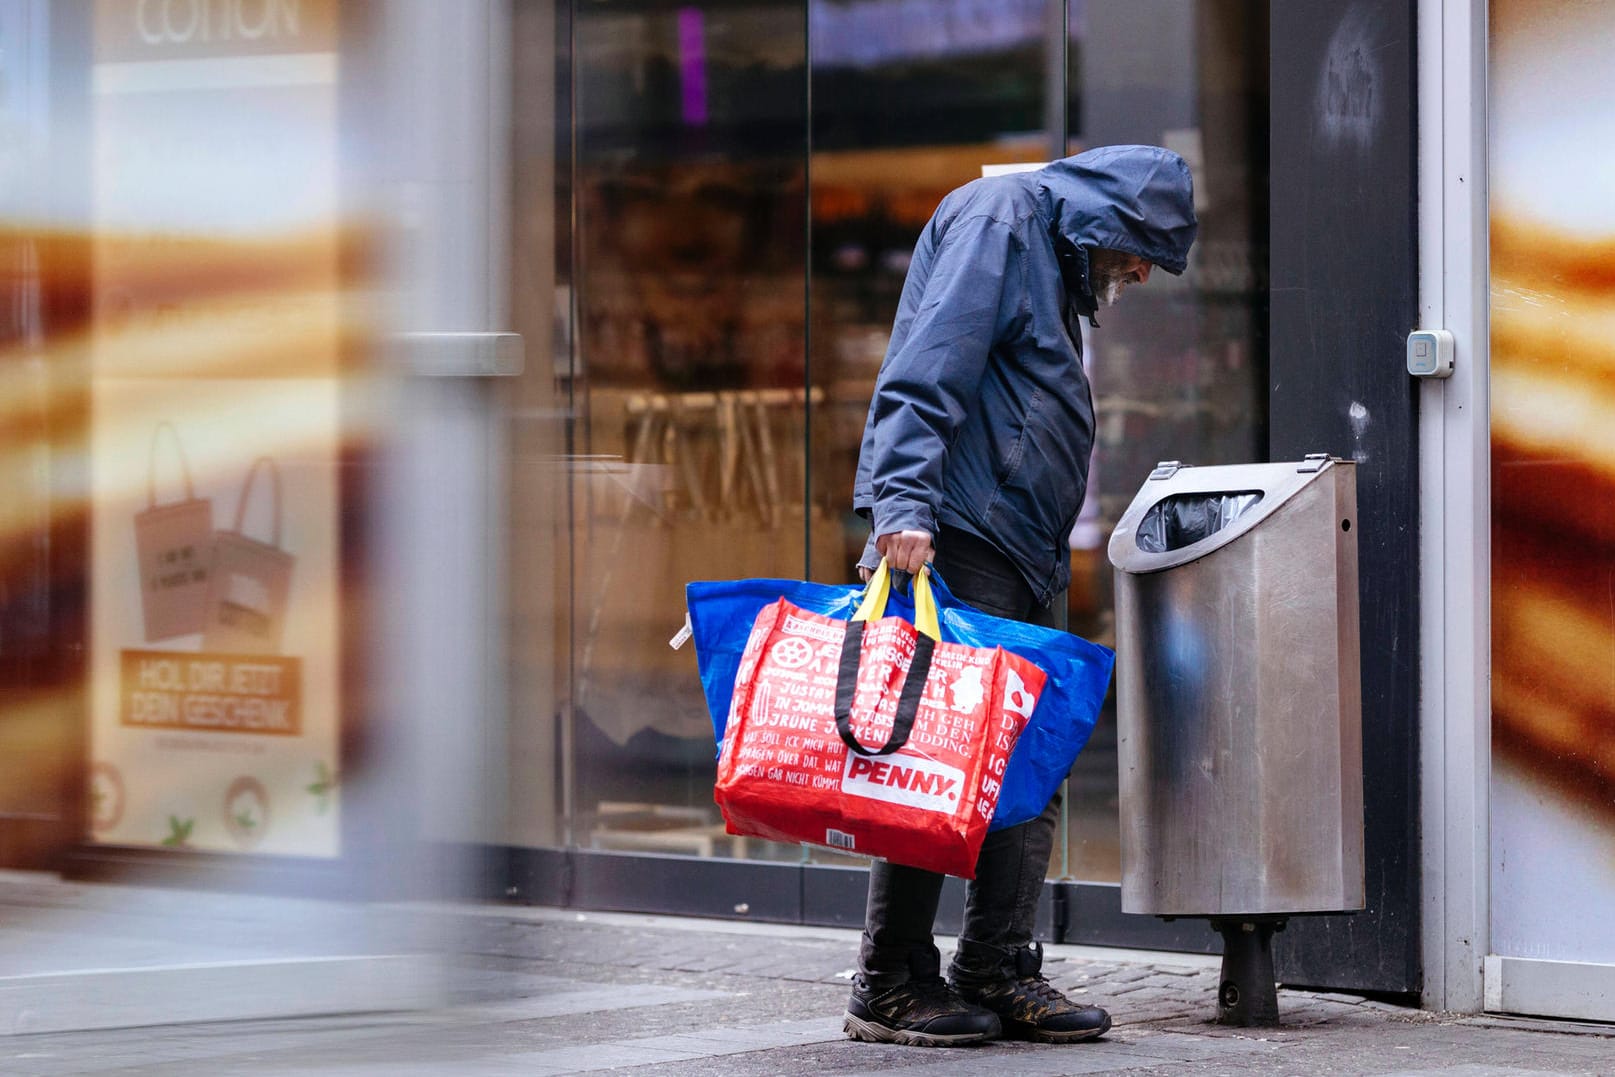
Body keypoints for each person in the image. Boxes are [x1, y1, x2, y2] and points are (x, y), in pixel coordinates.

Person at [842, 145, 1198, 1047]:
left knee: (1025, 762)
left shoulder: (1050, 251)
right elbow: (927, 365)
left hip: (1019, 544)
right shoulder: (1002, 222)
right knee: (934, 758)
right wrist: (903, 502)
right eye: (1140, 249)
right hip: (958, 533)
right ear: (1108, 222)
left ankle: (996, 965)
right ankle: (889, 979)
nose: (1140, 271)